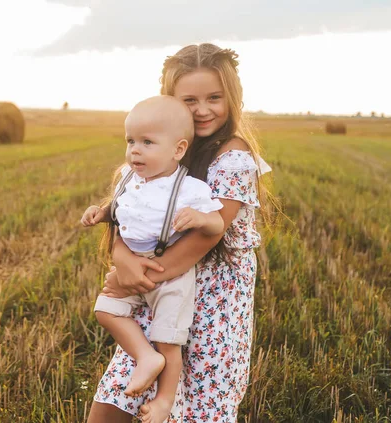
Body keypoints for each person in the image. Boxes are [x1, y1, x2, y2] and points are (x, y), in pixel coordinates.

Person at [88, 43, 275, 423]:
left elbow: (206, 237)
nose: (203, 109)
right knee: (116, 403)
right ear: (169, 101)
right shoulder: (162, 151)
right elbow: (131, 214)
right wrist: (123, 259)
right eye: (189, 99)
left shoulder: (233, 156)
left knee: (194, 406)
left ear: (232, 98)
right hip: (158, 289)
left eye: (214, 98)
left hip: (213, 306)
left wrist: (136, 279)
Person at [81, 95, 225, 423]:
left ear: (177, 150)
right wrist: (100, 214)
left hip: (170, 275)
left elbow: (217, 224)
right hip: (133, 265)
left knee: (168, 341)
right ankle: (145, 357)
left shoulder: (189, 188)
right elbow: (120, 213)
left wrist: (199, 218)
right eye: (130, 141)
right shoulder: (130, 180)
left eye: (147, 142)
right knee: (105, 310)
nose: (135, 150)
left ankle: (163, 401)